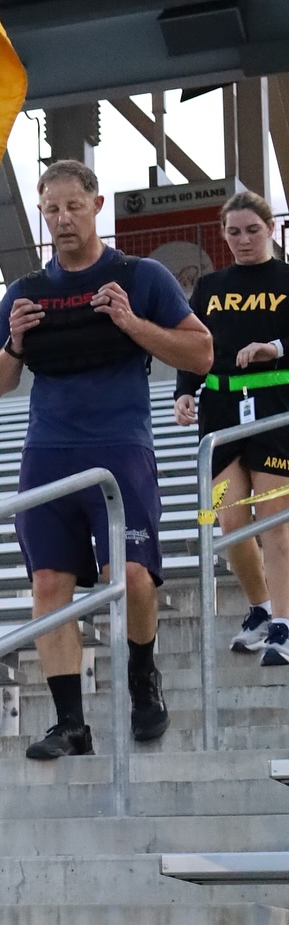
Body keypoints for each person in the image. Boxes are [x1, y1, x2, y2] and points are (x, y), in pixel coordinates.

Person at [0, 159, 212, 760]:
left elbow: (202, 352)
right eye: (51, 210)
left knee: (129, 575)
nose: (62, 220)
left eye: (72, 207)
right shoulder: (26, 292)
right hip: (48, 452)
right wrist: (15, 343)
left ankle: (142, 681)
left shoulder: (142, 275)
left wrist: (132, 323)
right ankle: (70, 722)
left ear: (97, 205)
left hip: (119, 447)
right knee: (49, 583)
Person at [174, 190, 289, 667]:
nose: (242, 240)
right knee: (228, 521)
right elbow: (194, 343)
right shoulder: (210, 286)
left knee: (274, 518)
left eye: (252, 230)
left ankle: (284, 623)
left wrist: (274, 348)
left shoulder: (286, 278)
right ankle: (260, 609)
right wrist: (185, 389)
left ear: (271, 230)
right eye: (233, 231)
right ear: (223, 234)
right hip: (220, 414)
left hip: (275, 407)